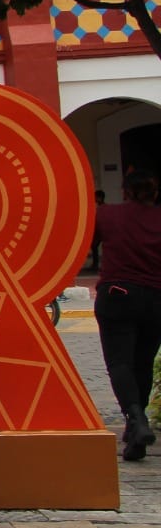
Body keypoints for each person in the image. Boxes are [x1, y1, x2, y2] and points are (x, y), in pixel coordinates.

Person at [93, 168, 161, 461]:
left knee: (119, 362)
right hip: (156, 298)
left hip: (117, 294)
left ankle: (134, 417)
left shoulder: (108, 215)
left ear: (125, 190)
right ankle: (138, 422)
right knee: (143, 362)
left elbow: (86, 242)